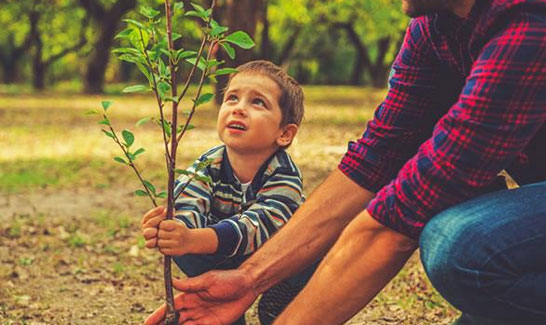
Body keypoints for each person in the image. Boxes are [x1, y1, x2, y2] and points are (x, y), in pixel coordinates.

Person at [145, 0, 546, 324]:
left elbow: (404, 214)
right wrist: (249, 280)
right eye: (232, 97)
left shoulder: (529, 23)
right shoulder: (433, 27)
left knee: (458, 244)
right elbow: (375, 159)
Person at [141, 60, 318, 324]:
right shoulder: (208, 163)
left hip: (274, 258)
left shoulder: (284, 175)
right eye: (232, 98)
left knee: (316, 251)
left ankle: (285, 297)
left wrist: (195, 238)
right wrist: (174, 229)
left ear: (284, 133)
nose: (239, 109)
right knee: (182, 241)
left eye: (258, 102)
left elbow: (257, 226)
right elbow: (189, 201)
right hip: (223, 254)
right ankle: (220, 306)